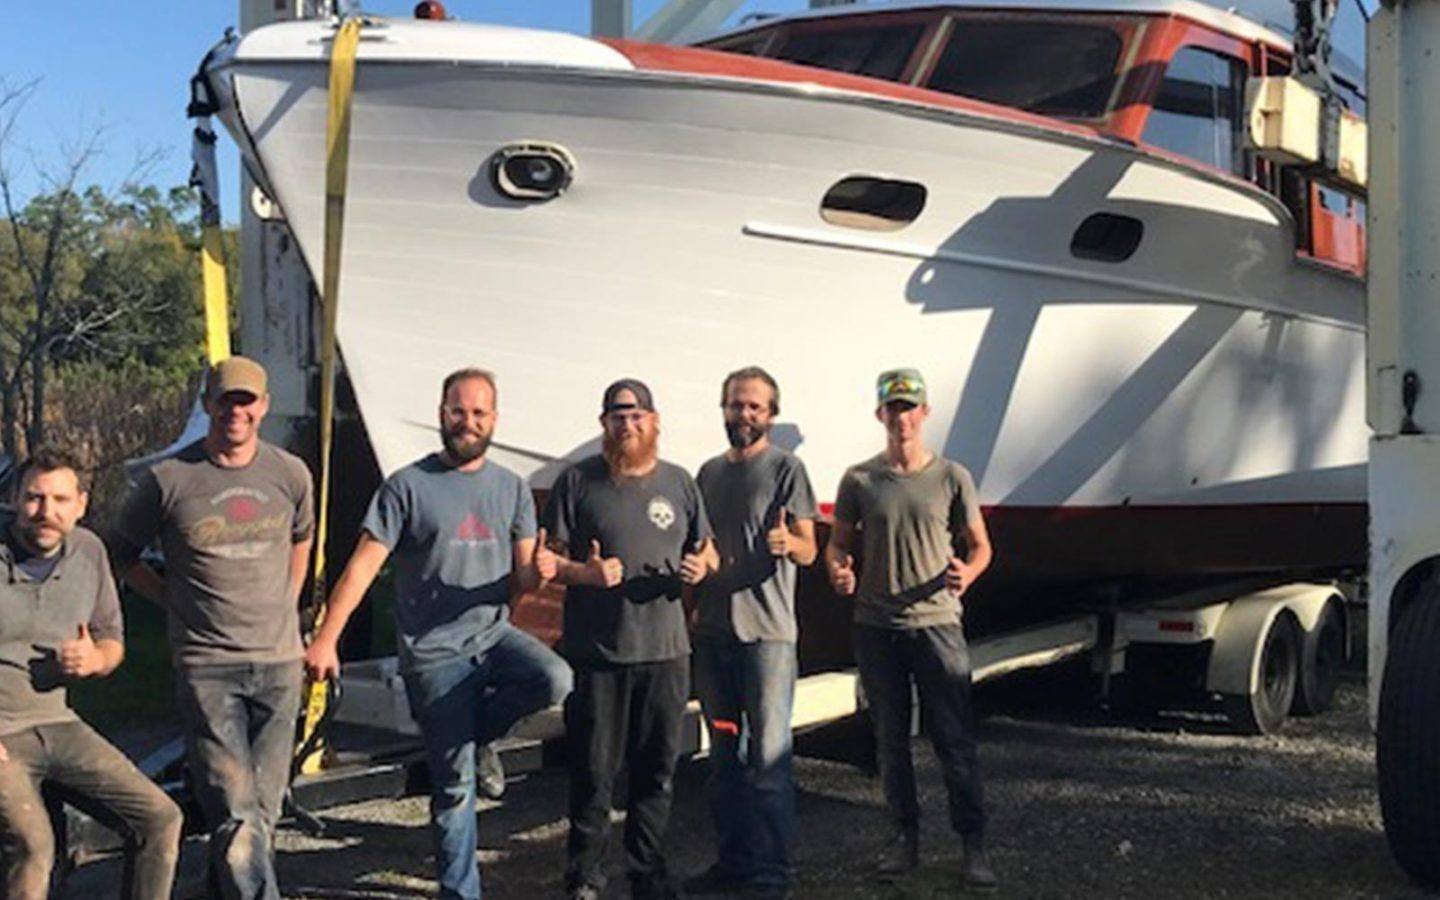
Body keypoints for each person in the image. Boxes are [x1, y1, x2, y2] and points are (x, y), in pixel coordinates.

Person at [305, 367, 572, 900]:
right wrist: (326, 638)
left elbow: (519, 580)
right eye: (458, 411)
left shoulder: (511, 487)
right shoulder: (407, 486)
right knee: (455, 786)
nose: (467, 422)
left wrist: (539, 572)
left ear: (494, 419)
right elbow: (361, 568)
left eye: (478, 413)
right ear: (441, 412)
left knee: (556, 677)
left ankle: (478, 739)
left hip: (493, 637)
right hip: (433, 654)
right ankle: (460, 891)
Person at [110, 356, 314, 900]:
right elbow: (121, 554)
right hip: (209, 666)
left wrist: (289, 599)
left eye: (247, 401)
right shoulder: (169, 479)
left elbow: (302, 538)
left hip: (278, 661)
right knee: (234, 805)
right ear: (207, 406)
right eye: (226, 400)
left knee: (262, 811)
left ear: (263, 407)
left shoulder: (290, 473)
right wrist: (170, 599)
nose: (237, 412)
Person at [537, 378, 718, 900]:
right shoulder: (577, 482)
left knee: (657, 773)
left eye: (637, 414)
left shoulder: (681, 483)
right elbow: (549, 563)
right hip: (599, 656)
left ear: (655, 422)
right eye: (617, 414)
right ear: (603, 424)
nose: (627, 423)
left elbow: (708, 552)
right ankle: (585, 876)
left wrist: (700, 567)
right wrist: (585, 573)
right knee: (593, 774)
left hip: (666, 653)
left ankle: (646, 871)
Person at [823, 368, 998, 892]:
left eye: (909, 407)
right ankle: (903, 841)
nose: (901, 417)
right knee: (889, 743)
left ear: (924, 414)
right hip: (876, 626)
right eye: (892, 408)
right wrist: (838, 568)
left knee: (954, 740)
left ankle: (973, 846)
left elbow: (981, 545)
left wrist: (967, 571)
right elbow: (837, 543)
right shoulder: (859, 480)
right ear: (880, 414)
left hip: (937, 625)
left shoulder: (951, 477)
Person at [0, 448, 183, 899]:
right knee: (33, 844)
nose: (47, 512)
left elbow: (111, 638)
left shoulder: (89, 551)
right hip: (3, 731)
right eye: (35, 498)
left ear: (81, 504)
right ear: (14, 499)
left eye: (61, 500)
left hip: (58, 722)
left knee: (160, 818)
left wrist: (95, 659)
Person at [685, 367, 817, 900]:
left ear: (771, 414)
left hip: (767, 639)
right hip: (715, 636)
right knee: (724, 760)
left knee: (768, 764)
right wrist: (695, 585)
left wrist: (792, 545)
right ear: (723, 408)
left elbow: (809, 546)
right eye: (736, 405)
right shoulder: (708, 473)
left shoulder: (788, 468)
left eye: (755, 407)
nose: (744, 414)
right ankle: (733, 863)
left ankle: (773, 876)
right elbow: (702, 545)